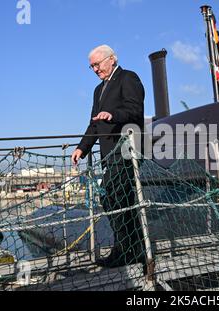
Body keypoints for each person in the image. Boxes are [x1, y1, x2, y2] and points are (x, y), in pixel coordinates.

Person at [71, 45, 145, 268]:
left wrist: (113, 115)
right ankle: (136, 250)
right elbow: (94, 124)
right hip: (110, 154)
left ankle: (125, 250)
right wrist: (81, 148)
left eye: (97, 64)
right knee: (123, 201)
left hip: (127, 151)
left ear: (111, 59)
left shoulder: (128, 78)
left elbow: (135, 109)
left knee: (111, 198)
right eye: (91, 66)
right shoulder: (98, 90)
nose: (95, 69)